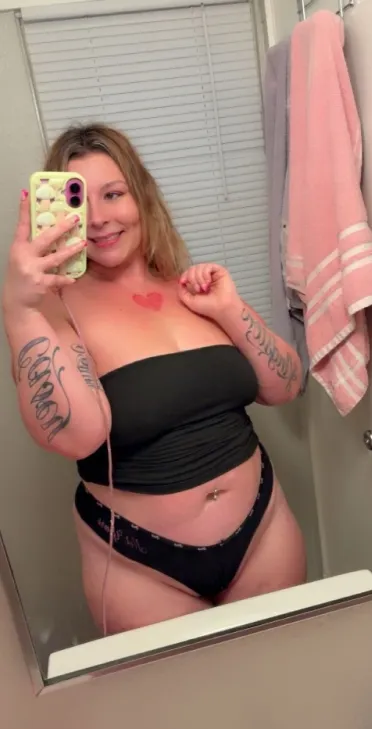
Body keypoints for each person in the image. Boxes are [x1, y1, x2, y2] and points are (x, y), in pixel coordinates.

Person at [2, 124, 307, 635]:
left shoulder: (191, 288)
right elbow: (78, 436)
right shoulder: (55, 311)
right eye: (79, 203)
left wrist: (229, 310)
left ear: (141, 196)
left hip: (263, 529)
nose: (99, 218)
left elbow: (286, 385)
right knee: (183, 691)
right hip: (140, 564)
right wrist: (19, 310)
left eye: (113, 194)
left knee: (288, 669)